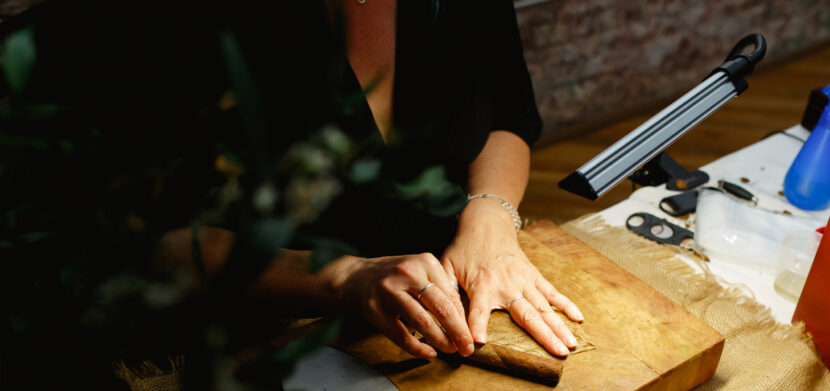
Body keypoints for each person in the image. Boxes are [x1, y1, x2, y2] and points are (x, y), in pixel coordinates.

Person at [156, 0, 584, 361]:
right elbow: (157, 242)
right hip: (263, 328)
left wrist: (489, 218)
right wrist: (341, 278)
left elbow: (510, 118)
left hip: (454, 277)